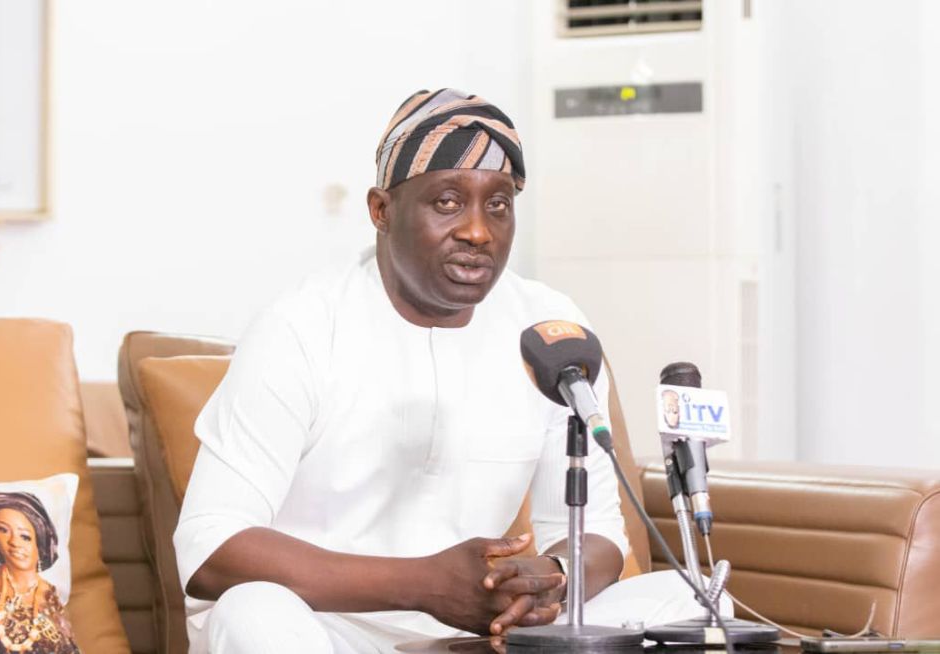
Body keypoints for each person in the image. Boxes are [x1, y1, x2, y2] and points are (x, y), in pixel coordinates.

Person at [174, 88, 730, 653]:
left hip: (484, 634)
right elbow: (209, 545)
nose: (478, 232)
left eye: (498, 204)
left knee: (693, 601)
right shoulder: (302, 327)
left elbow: (598, 535)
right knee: (252, 611)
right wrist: (424, 586)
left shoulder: (547, 328)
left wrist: (546, 580)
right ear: (381, 210)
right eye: (447, 202)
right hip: (329, 629)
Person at [0, 492, 79, 654]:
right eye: (3, 530)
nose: (14, 542)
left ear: (39, 542)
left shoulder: (53, 600)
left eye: (25, 537)